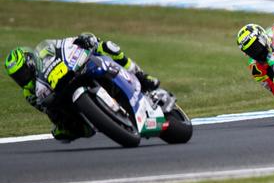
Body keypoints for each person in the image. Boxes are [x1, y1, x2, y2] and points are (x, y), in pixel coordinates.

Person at [4, 33, 160, 142]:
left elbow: (64, 44)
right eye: (17, 77)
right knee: (61, 132)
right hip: (65, 98)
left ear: (31, 63)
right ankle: (92, 121)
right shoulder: (29, 92)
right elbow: (47, 110)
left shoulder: (45, 53)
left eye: (23, 72)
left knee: (107, 47)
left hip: (76, 70)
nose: (22, 78)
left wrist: (82, 40)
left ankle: (142, 76)